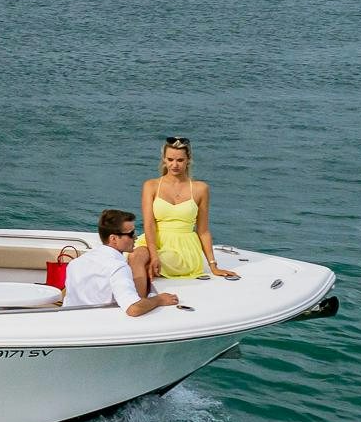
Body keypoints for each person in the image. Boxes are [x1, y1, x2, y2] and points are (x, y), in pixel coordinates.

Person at [136, 135, 239, 291]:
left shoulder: (200, 189)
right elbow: (149, 225)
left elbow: (203, 231)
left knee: (149, 263)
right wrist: (154, 253)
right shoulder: (151, 186)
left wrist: (213, 266)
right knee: (136, 257)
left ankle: (146, 300)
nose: (174, 165)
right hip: (152, 241)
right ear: (164, 159)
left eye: (180, 160)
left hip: (183, 249)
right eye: (170, 159)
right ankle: (134, 300)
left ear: (188, 160)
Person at [62, 209, 180, 317]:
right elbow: (133, 309)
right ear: (113, 239)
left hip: (71, 320)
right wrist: (159, 299)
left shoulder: (76, 262)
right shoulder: (118, 267)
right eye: (130, 234)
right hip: (99, 325)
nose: (136, 237)